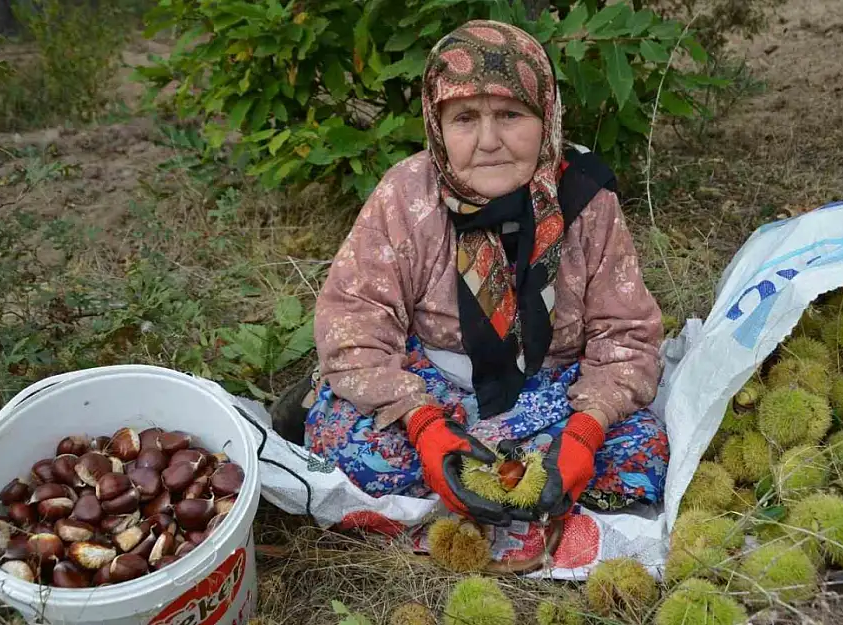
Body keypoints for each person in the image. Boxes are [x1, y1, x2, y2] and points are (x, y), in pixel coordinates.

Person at [274, 19, 669, 527]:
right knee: (345, 443)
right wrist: (424, 426)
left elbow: (627, 336)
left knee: (642, 454)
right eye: (464, 118)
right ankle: (457, 470)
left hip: (554, 394)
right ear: (437, 126)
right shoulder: (406, 196)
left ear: (546, 117)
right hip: (431, 386)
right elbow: (355, 323)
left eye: (510, 114)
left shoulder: (588, 202)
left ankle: (504, 483)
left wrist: (586, 432)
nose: (488, 141)